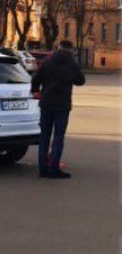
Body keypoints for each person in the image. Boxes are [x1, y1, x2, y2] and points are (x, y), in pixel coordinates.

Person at [31, 40, 85, 179]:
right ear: (70, 50)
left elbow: (36, 79)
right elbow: (80, 81)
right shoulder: (72, 64)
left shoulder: (47, 61)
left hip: (46, 103)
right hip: (62, 105)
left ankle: (42, 169)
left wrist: (36, 90)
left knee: (44, 136)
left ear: (58, 48)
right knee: (58, 137)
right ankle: (54, 168)